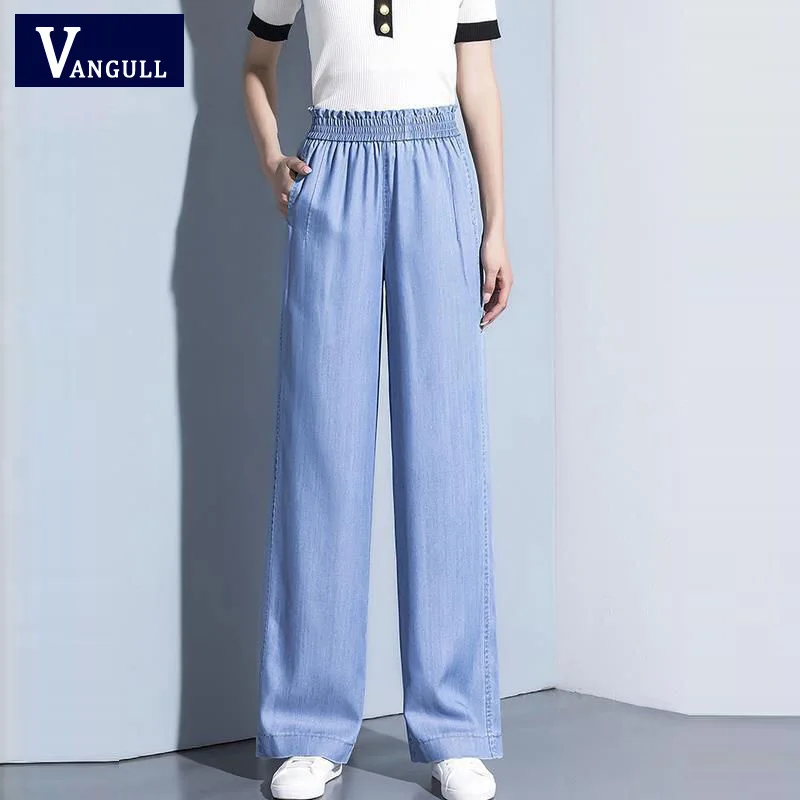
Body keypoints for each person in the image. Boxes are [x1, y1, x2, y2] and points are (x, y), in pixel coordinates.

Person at [243, 2, 513, 798]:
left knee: (443, 452)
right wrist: (271, 157)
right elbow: (257, 64)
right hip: (335, 167)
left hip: (437, 167)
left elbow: (477, 80)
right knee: (321, 451)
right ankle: (309, 728)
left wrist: (496, 225)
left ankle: (454, 729)